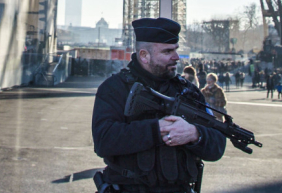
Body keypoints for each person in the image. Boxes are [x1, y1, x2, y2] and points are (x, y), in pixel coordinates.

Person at [92, 17, 226, 193]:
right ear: (144, 56)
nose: (176, 57)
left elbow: (217, 144)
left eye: (176, 50)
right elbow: (104, 140)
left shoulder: (189, 92)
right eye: (167, 51)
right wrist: (156, 130)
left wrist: (195, 133)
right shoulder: (115, 88)